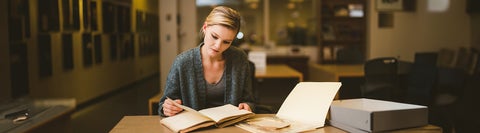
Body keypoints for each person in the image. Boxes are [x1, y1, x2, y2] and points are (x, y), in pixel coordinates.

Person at [158, 6, 255, 117]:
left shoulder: (240, 59)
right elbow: (163, 104)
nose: (218, 46)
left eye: (226, 42)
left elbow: (249, 100)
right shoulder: (182, 62)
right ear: (205, 27)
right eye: (214, 36)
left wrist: (247, 106)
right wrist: (168, 108)